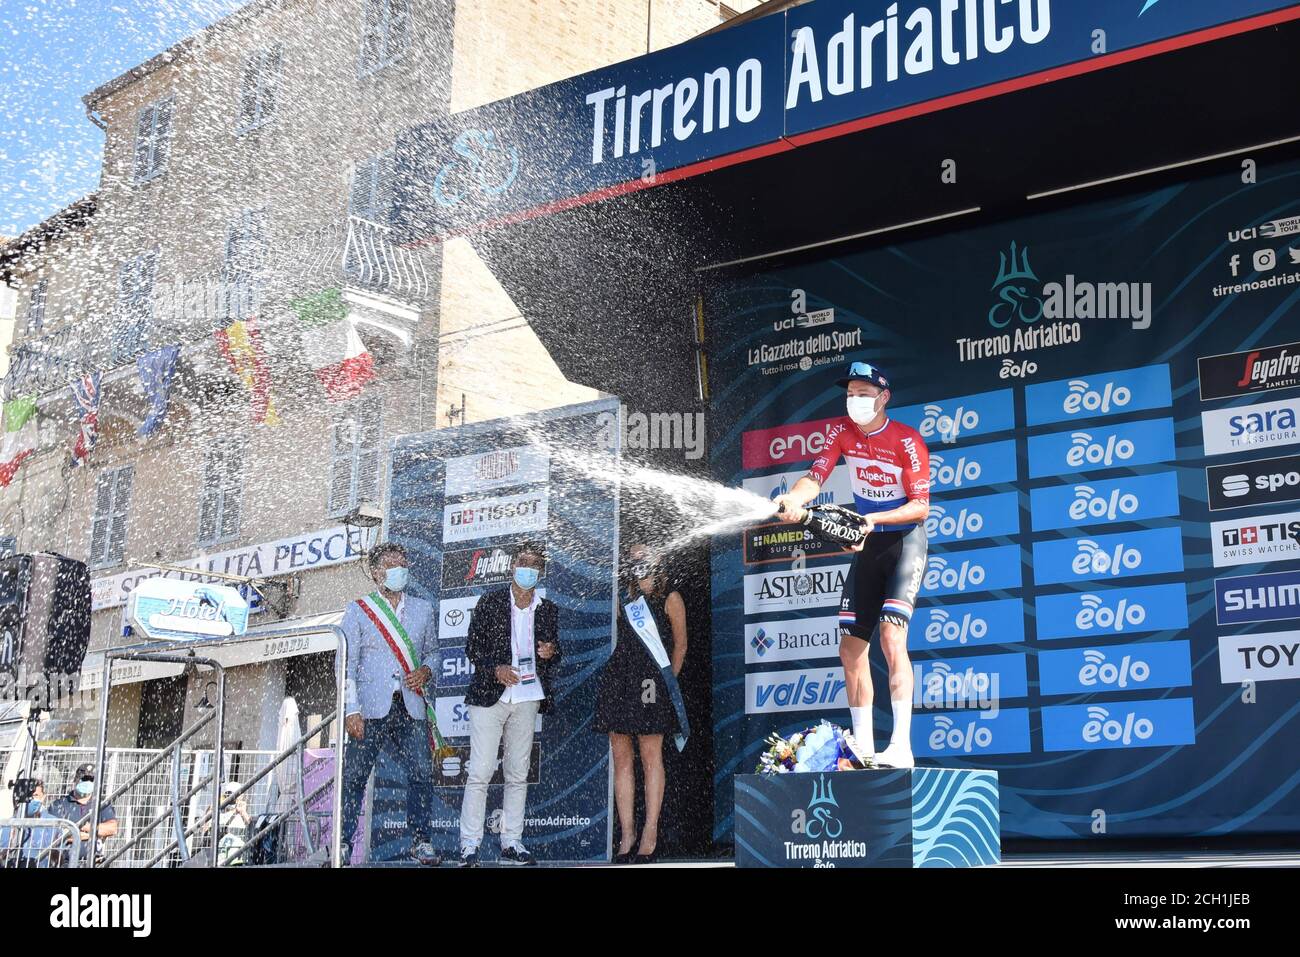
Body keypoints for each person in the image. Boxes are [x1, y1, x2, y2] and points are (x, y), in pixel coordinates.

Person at [774, 361, 930, 769]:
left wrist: (872, 519)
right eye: (850, 393)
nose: (855, 400)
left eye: (864, 394)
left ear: (884, 398)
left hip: (903, 542)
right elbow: (816, 475)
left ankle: (901, 747)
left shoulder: (907, 440)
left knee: (892, 640)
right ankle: (862, 747)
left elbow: (921, 506)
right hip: (866, 546)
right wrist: (794, 499)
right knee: (849, 650)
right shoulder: (841, 430)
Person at [459, 542, 561, 867]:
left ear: (540, 572)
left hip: (528, 697)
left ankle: (511, 843)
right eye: (523, 562)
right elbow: (472, 648)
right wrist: (496, 670)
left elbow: (555, 652)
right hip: (491, 696)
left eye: (534, 564)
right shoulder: (490, 602)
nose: (528, 568)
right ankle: (469, 845)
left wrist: (551, 652)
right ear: (512, 567)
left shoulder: (548, 609)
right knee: (480, 771)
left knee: (517, 774)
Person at [338, 542, 441, 866]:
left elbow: (433, 654)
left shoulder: (423, 609)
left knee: (423, 772)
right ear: (376, 572)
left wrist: (426, 671)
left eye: (403, 563)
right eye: (392, 564)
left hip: (410, 706)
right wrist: (350, 709)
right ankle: (342, 844)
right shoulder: (358, 610)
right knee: (354, 776)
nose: (400, 569)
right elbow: (345, 663)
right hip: (369, 709)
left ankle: (421, 841)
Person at [594, 543, 688, 864]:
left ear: (658, 559)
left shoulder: (670, 597)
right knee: (621, 759)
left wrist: (668, 683)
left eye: (645, 556)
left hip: (652, 683)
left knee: (651, 757)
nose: (639, 562)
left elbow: (680, 645)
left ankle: (650, 832)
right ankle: (628, 834)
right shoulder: (625, 597)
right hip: (620, 678)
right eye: (633, 558)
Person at [46, 763, 119, 866]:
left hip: (94, 862)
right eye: (84, 779)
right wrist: (96, 835)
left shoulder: (102, 805)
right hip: (65, 863)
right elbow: (56, 835)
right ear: (76, 780)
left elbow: (112, 828)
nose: (87, 782)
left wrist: (86, 828)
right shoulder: (59, 804)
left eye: (91, 780)